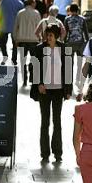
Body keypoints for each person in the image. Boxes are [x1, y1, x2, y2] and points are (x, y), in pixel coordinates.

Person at [32, 24, 72, 162]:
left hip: (59, 90)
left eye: (50, 35)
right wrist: (39, 84)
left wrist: (68, 90)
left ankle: (58, 152)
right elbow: (33, 68)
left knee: (57, 121)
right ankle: (44, 153)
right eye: (46, 35)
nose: (48, 37)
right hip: (44, 90)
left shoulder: (64, 49)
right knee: (45, 121)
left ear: (56, 36)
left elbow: (68, 70)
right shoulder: (40, 49)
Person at [13, 0, 41, 86]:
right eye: (34, 2)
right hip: (34, 40)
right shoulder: (36, 13)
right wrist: (40, 38)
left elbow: (15, 27)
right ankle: (32, 78)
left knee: (22, 60)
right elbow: (39, 28)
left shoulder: (20, 13)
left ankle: (24, 80)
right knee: (34, 60)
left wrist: (15, 39)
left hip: (22, 40)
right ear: (32, 3)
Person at [64, 3, 89, 91]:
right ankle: (77, 80)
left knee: (70, 63)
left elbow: (65, 32)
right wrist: (87, 43)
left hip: (70, 43)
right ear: (78, 10)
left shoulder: (67, 19)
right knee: (79, 63)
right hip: (80, 44)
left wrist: (64, 42)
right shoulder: (82, 19)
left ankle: (69, 82)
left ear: (70, 10)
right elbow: (85, 32)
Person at [0, 0, 24, 65]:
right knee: (15, 44)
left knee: (2, 43)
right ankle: (14, 59)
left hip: (4, 25)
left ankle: (5, 56)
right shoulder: (20, 3)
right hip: (14, 26)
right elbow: (20, 16)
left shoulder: (4, 0)